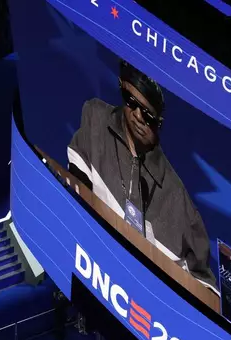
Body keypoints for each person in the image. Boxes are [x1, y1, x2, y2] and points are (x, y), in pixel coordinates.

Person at [67, 59, 217, 291]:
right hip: (88, 268)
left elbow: (204, 287)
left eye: (147, 114)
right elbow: (74, 191)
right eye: (130, 102)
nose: (137, 115)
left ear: (159, 121)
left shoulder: (177, 199)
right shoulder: (96, 119)